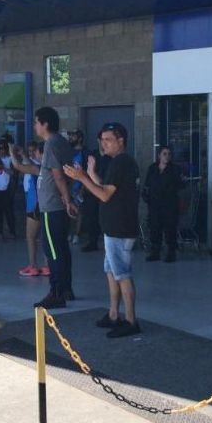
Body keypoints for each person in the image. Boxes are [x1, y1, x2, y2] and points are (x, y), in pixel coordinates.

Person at [64, 122, 141, 337]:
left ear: (120, 141)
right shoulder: (117, 163)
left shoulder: (122, 163)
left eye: (108, 139)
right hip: (113, 228)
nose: (103, 144)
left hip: (120, 228)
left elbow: (104, 195)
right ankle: (114, 313)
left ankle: (131, 320)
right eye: (102, 140)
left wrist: (81, 178)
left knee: (122, 273)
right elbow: (105, 188)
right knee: (111, 271)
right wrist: (88, 173)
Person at [33, 107, 75, 309]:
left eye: (36, 122)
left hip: (52, 206)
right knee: (62, 248)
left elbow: (58, 174)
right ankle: (66, 288)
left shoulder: (51, 144)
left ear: (45, 124)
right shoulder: (61, 142)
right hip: (54, 204)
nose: (35, 126)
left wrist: (66, 199)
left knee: (52, 251)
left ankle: (56, 291)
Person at [10, 141, 50, 277]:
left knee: (31, 237)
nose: (35, 154)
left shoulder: (39, 168)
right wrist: (23, 155)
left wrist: (11, 152)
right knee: (45, 237)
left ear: (41, 153)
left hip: (34, 205)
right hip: (46, 205)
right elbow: (30, 165)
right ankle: (46, 266)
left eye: (36, 152)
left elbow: (17, 166)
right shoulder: (50, 167)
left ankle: (33, 266)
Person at [143, 145, 184, 262]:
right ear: (159, 155)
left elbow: (181, 185)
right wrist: (146, 195)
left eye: (169, 154)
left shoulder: (175, 169)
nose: (167, 156)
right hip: (154, 204)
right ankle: (155, 252)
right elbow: (147, 184)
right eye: (164, 154)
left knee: (170, 229)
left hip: (169, 205)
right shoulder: (152, 168)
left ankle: (171, 253)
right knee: (155, 228)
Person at [80, 136, 111, 252]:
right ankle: (92, 241)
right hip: (92, 192)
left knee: (106, 218)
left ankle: (108, 242)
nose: (104, 143)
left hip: (107, 191)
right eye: (102, 140)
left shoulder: (111, 157)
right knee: (92, 218)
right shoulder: (92, 155)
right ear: (98, 141)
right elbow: (86, 173)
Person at [67, 129, 86, 245]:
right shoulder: (69, 152)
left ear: (79, 138)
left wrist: (83, 189)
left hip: (79, 187)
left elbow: (86, 173)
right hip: (68, 187)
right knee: (69, 211)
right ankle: (70, 233)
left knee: (79, 212)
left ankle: (77, 234)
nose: (71, 138)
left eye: (73, 136)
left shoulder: (84, 153)